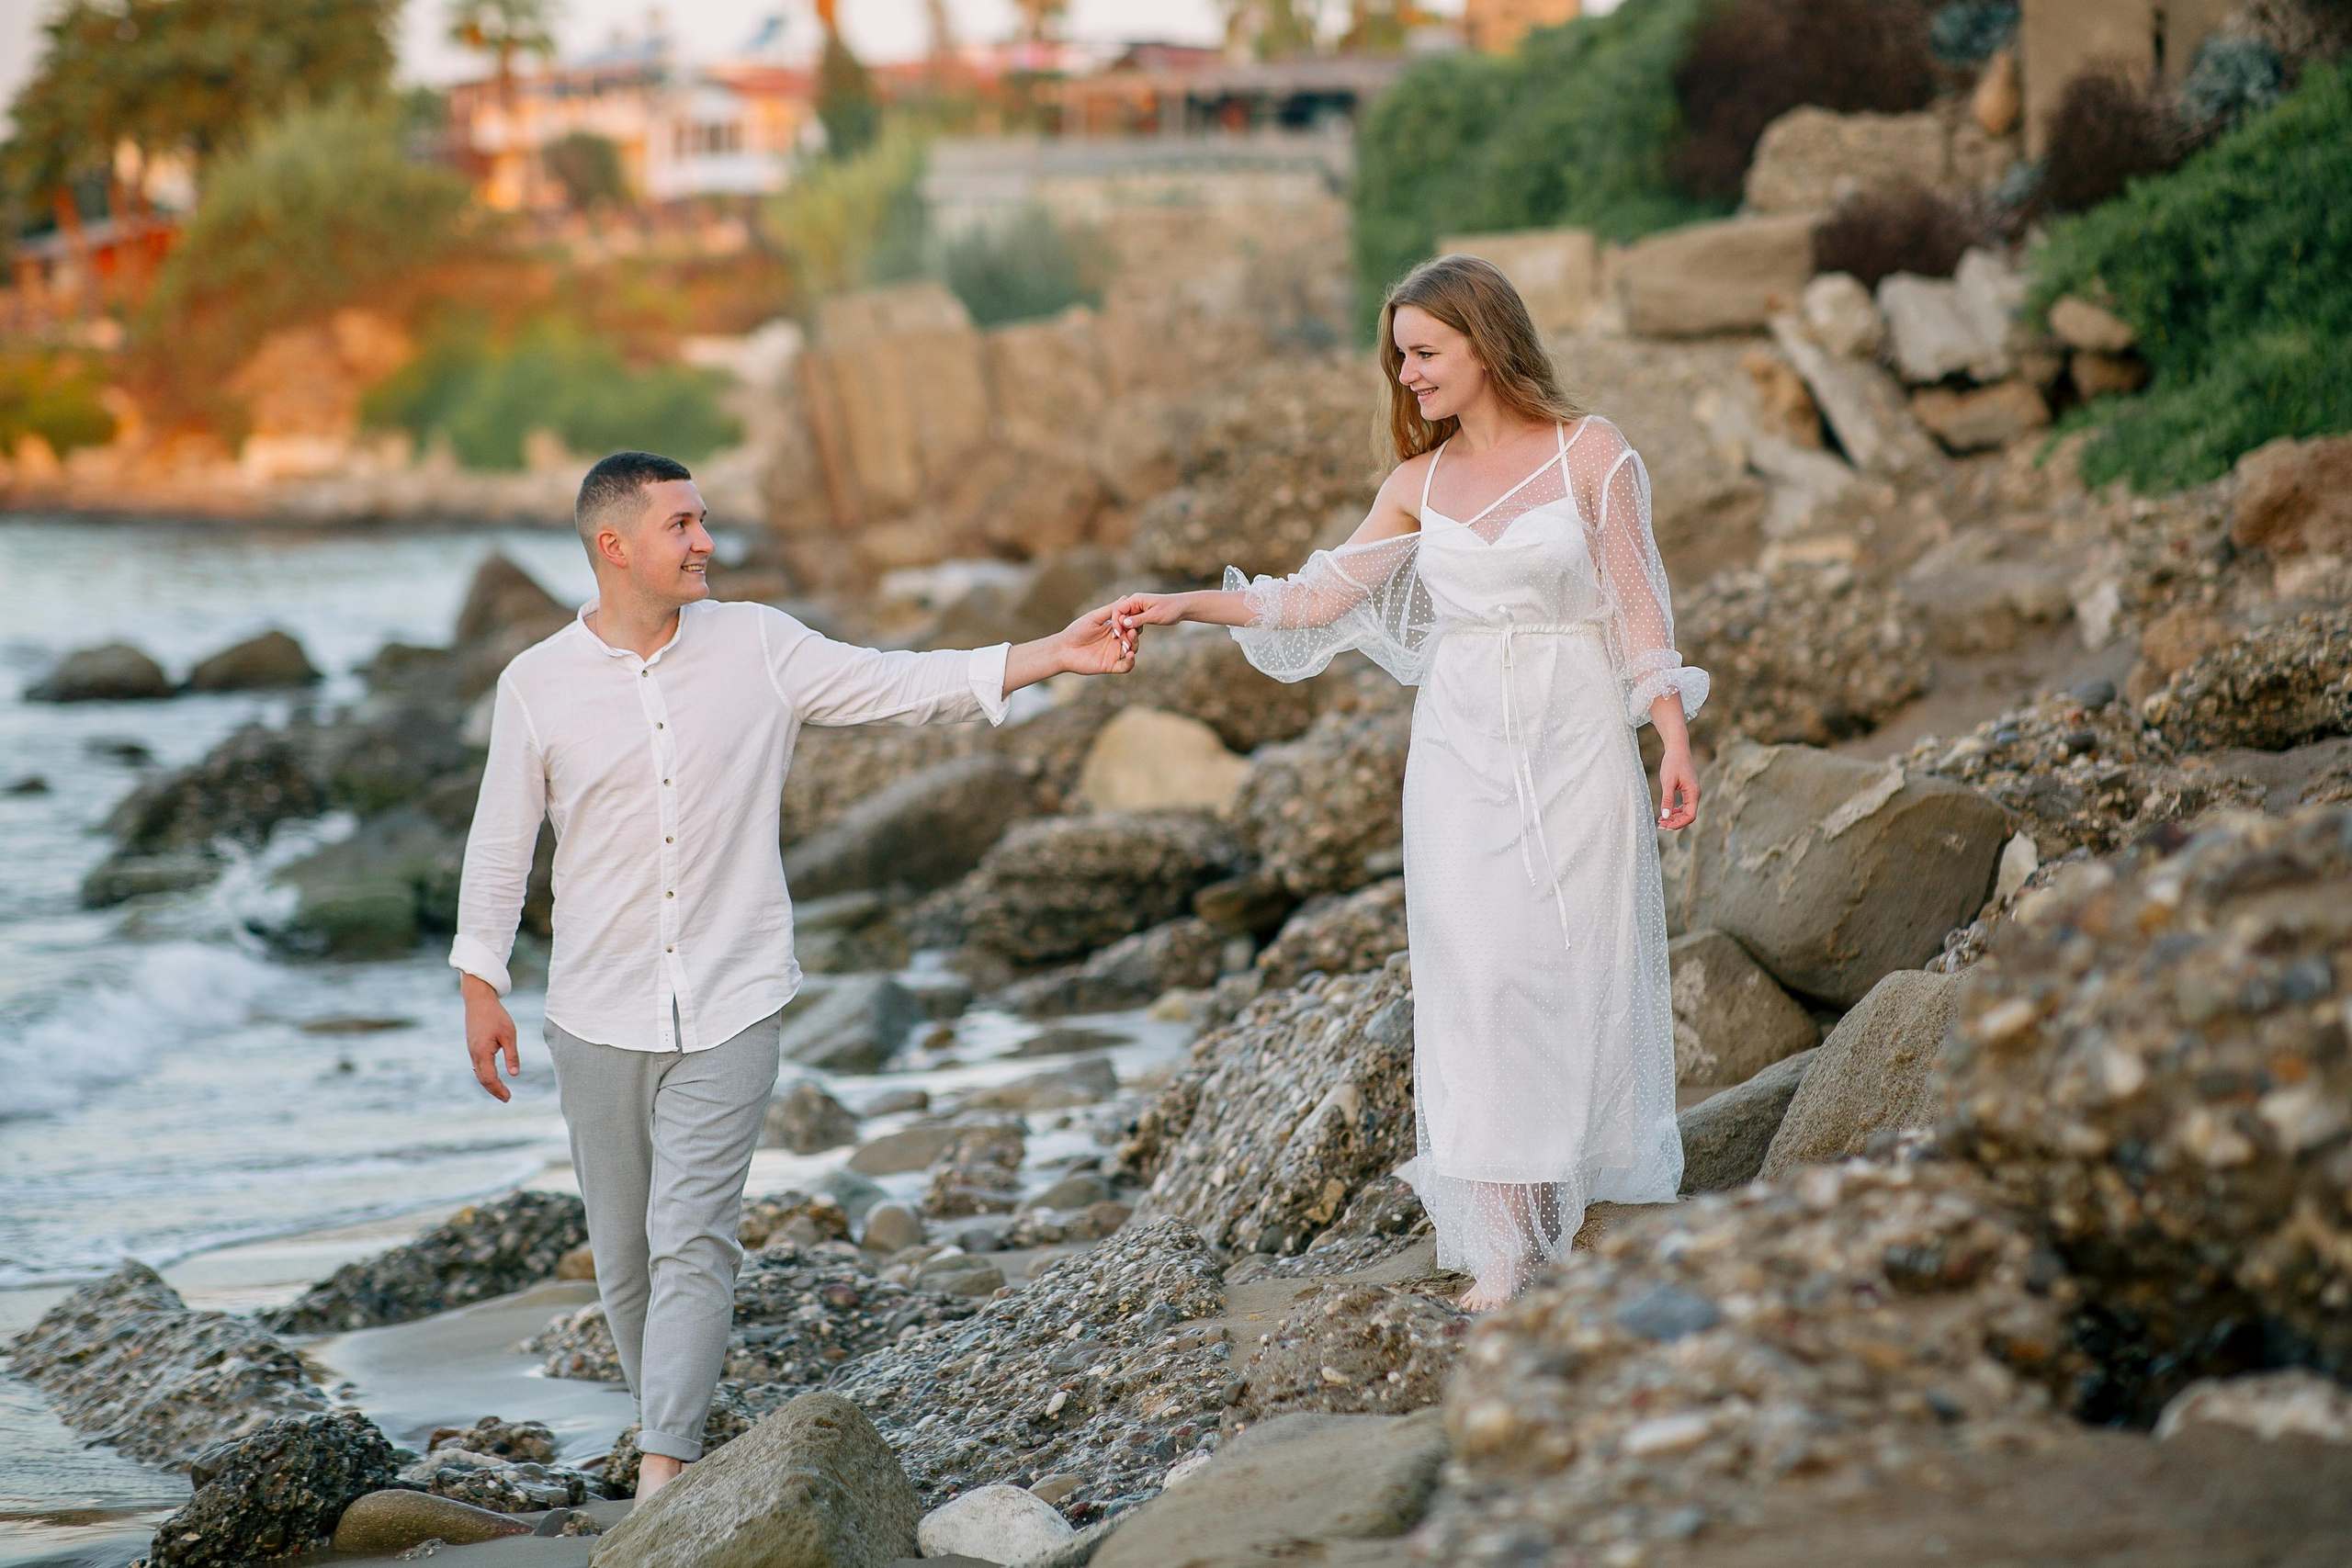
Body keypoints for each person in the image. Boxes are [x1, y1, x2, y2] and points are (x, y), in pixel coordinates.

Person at [451, 451, 1136, 1497]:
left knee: (693, 1238)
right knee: (626, 1257)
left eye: (704, 520)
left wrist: (1054, 654)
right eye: (682, 525)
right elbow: (502, 846)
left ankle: (663, 1470)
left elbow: (901, 685)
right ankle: (664, 1428)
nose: (706, 543)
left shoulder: (760, 645)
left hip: (736, 996)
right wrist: (480, 984)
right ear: (615, 545)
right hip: (594, 1012)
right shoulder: (536, 684)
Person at [1105, 254, 1705, 1311]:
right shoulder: (1413, 485)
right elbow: (1309, 601)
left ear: (1487, 342)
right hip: (1460, 751)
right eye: (1400, 357)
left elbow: (1637, 604)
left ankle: (1565, 1194)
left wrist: (1672, 735)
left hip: (1573, 739)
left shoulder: (1591, 453)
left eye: (1425, 353)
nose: (1410, 374)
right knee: (1477, 974)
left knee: (1572, 963)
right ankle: (1506, 1243)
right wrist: (1182, 603)